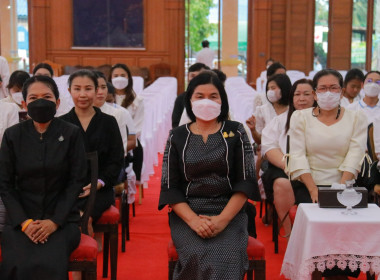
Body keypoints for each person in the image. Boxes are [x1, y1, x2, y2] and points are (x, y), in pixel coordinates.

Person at [158, 71, 259, 280]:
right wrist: (194, 221)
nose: (206, 102)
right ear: (190, 101)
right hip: (188, 214)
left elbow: (246, 181)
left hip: (230, 212)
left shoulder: (236, 131)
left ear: (222, 101)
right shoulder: (177, 136)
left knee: (228, 255)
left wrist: (222, 220)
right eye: (199, 96)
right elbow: (170, 187)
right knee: (196, 254)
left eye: (213, 96)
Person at [0, 75, 87, 279]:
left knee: (50, 263)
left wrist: (54, 221)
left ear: (57, 102)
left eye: (46, 96)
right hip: (22, 220)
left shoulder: (71, 133)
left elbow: (76, 182)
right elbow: (4, 184)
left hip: (62, 221)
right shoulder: (12, 135)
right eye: (33, 98)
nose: (40, 102)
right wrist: (25, 222)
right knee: (17, 264)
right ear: (24, 104)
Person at [288, 69, 367, 279]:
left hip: (345, 185)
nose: (328, 93)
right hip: (308, 184)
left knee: (343, 219)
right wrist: (314, 189)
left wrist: (340, 189)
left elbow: (355, 154)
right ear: (315, 94)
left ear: (341, 92)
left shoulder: (356, 117)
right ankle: (318, 271)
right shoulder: (300, 117)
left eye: (333, 88)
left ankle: (339, 273)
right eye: (322, 88)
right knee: (318, 218)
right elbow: (297, 155)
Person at [60, 70, 124, 231]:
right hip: (68, 187)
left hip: (100, 188)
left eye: (88, 89)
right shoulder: (61, 124)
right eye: (77, 89)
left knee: (84, 215)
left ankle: (85, 241)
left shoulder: (109, 122)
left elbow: (116, 160)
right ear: (69, 91)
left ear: (97, 91)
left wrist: (99, 183)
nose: (82, 94)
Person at [261, 79, 315, 237]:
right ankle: (290, 233)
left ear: (315, 96)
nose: (302, 98)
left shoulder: (323, 120)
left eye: (307, 94)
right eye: (297, 94)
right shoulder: (280, 120)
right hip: (285, 167)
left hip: (317, 169)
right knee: (282, 183)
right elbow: (269, 148)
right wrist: (292, 167)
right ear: (291, 97)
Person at [110, 63, 144, 184]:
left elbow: (138, 125)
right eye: (116, 75)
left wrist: (126, 139)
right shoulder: (106, 98)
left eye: (123, 75)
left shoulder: (137, 100)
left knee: (136, 146)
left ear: (128, 78)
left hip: (129, 137)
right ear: (110, 78)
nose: (119, 78)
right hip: (108, 136)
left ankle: (133, 179)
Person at [246, 73, 291, 145]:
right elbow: (260, 141)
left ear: (283, 89)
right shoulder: (262, 110)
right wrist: (253, 130)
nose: (269, 92)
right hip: (269, 152)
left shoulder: (293, 110)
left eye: (273, 88)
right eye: (268, 89)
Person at [172, 62, 210, 128]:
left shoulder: (212, 98)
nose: (195, 79)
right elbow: (175, 124)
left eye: (199, 76)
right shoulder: (181, 98)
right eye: (192, 76)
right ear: (188, 77)